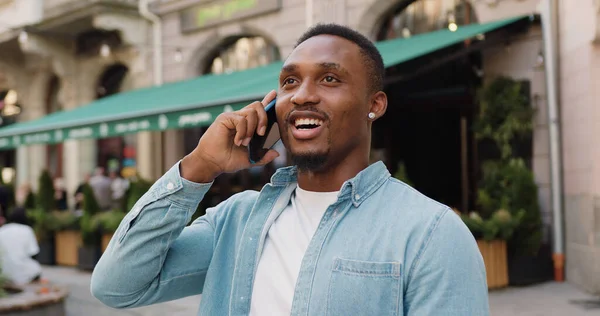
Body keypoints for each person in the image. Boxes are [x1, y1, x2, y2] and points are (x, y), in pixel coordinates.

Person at [91, 24, 489, 315]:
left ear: (375, 105)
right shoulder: (235, 222)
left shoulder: (431, 234)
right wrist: (200, 165)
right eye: (289, 82)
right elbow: (117, 286)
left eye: (329, 79)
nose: (302, 95)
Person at [0, 208, 42, 286]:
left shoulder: (2, 230)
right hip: (23, 272)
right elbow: (34, 253)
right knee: (36, 268)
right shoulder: (27, 230)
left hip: (4, 272)